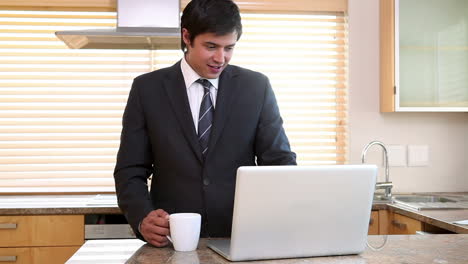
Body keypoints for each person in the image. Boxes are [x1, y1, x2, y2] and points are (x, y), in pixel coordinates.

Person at [114, 0, 296, 247]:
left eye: (229, 48)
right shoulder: (147, 89)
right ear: (187, 37)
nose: (221, 58)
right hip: (172, 239)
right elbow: (130, 169)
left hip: (242, 237)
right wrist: (142, 217)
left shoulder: (256, 87)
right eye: (211, 46)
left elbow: (279, 163)